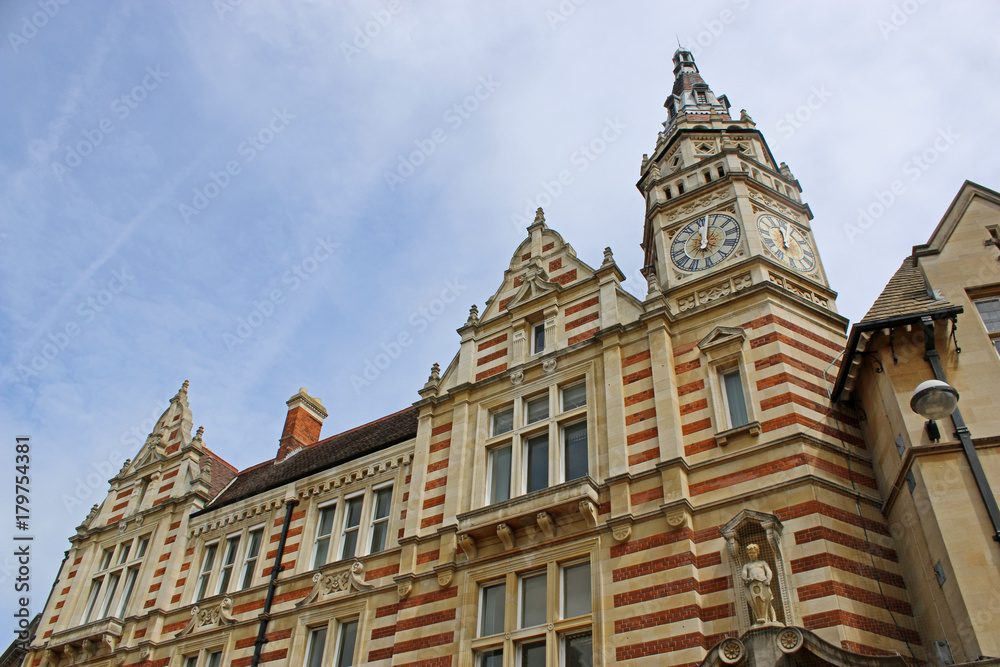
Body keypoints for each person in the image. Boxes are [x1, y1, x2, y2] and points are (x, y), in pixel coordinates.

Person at [741, 543, 777, 624]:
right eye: (750, 553)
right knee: (754, 604)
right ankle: (757, 620)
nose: (751, 555)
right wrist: (747, 579)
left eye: (753, 553)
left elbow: (769, 572)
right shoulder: (747, 565)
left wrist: (768, 580)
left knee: (768, 602)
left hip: (763, 583)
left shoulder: (762, 563)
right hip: (753, 585)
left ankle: (774, 619)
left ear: (757, 552)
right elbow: (743, 575)